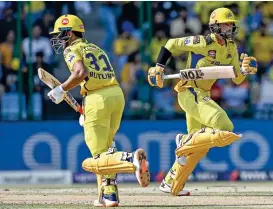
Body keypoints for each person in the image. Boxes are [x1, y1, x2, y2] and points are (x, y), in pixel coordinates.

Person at [148, 8, 257, 196]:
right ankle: (183, 140)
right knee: (224, 125)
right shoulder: (204, 41)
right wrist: (159, 66)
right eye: (225, 23)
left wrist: (246, 70)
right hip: (189, 90)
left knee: (198, 147)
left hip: (202, 93)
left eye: (231, 24)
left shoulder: (231, 48)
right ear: (214, 26)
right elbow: (172, 43)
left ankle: (170, 183)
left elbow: (237, 79)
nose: (230, 27)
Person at [47, 14, 150, 207]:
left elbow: (80, 73)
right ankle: (109, 195)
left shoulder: (71, 49)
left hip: (96, 98)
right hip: (116, 94)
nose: (59, 40)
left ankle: (130, 158)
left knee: (98, 155)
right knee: (106, 148)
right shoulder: (95, 47)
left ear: (69, 32)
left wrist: (61, 89)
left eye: (61, 35)